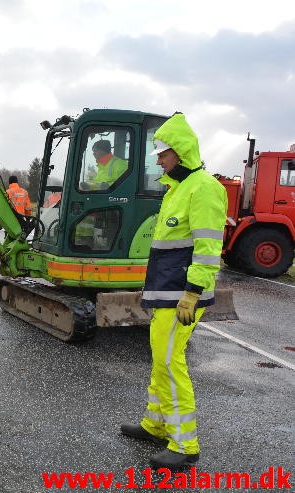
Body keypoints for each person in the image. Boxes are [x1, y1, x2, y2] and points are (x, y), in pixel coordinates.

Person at [120, 113, 227, 468]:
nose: (158, 160)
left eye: (163, 153)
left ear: (180, 152)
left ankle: (184, 445)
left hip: (181, 294)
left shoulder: (204, 188)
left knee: (170, 362)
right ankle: (157, 424)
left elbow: (208, 248)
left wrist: (193, 292)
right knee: (160, 361)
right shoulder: (179, 188)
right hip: (167, 293)